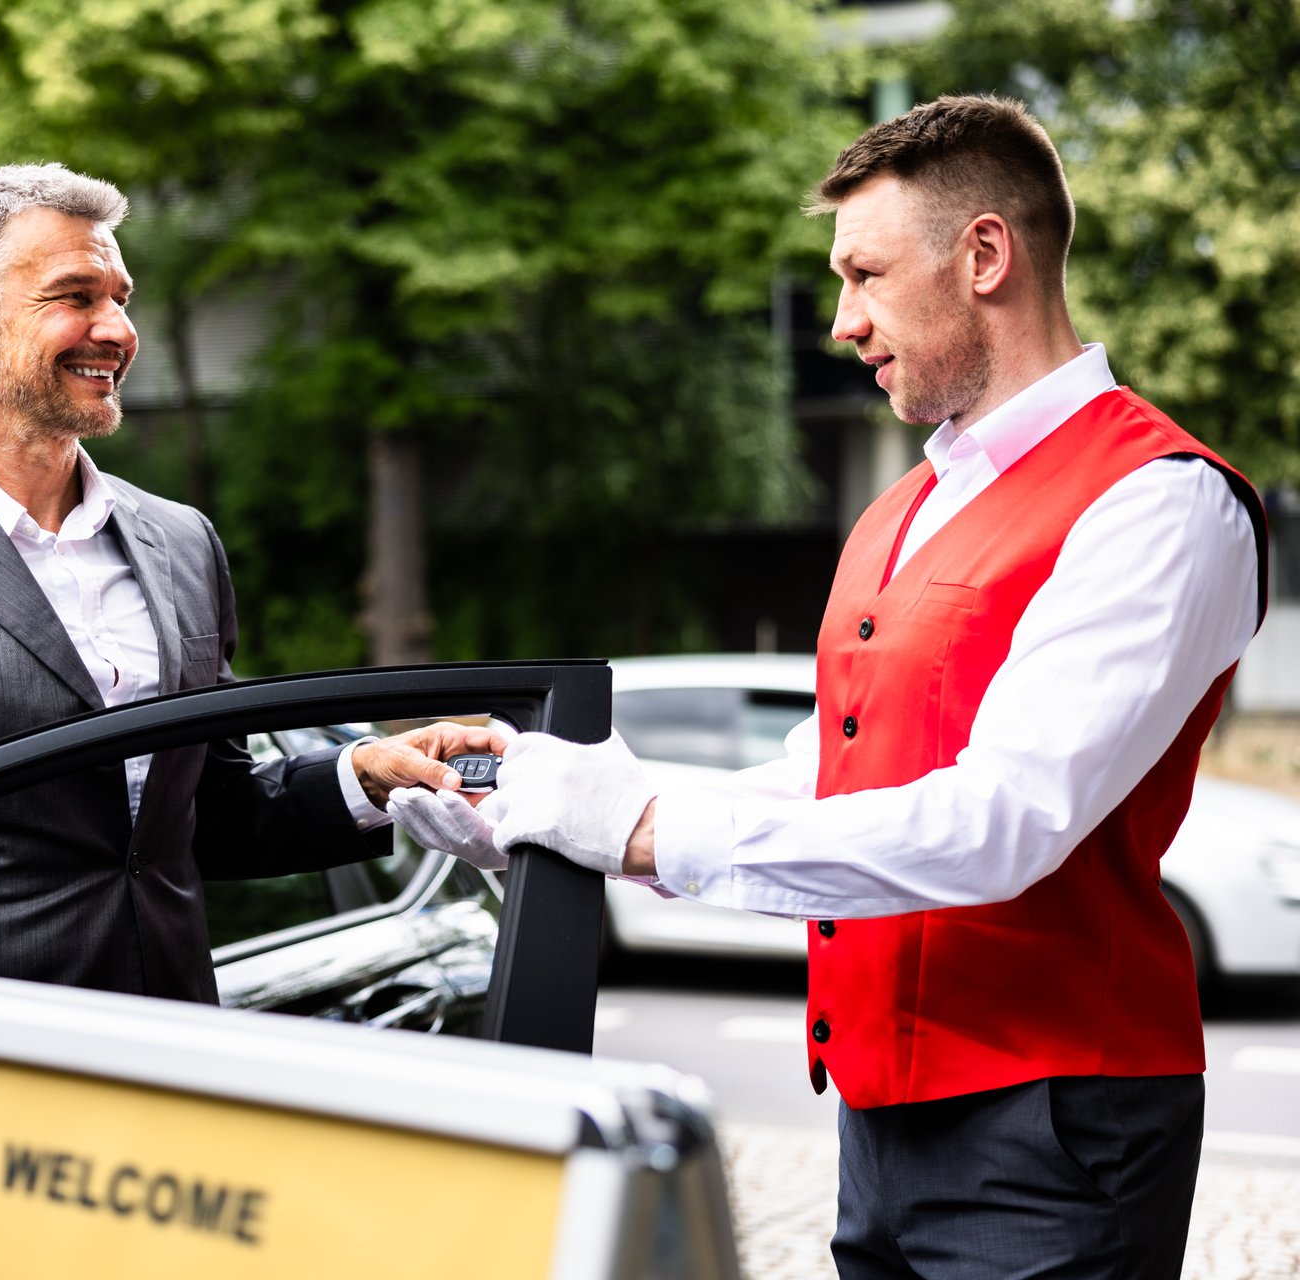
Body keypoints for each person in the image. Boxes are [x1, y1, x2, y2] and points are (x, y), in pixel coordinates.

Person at [391, 96, 1268, 1278]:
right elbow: (826, 768)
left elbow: (1006, 822)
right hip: (876, 1118)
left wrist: (643, 829)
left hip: (1059, 1127)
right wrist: (556, 811)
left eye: (864, 274)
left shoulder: (1161, 500)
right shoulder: (901, 508)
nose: (843, 321)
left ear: (987, 256)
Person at [0, 162, 492, 1198]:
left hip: (171, 1102)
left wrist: (362, 776)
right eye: (75, 296)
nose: (116, 328)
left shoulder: (181, 541)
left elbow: (205, 812)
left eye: (120, 298)